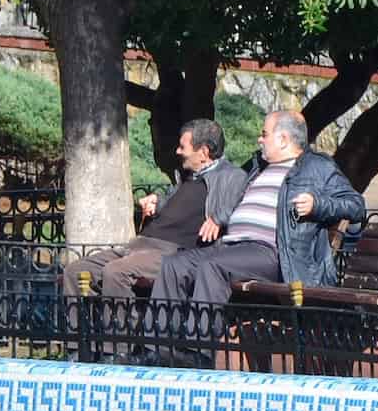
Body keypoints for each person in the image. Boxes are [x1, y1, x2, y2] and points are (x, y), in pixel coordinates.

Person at [151, 110, 365, 317]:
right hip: (231, 246)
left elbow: (355, 205)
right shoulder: (258, 166)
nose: (259, 139)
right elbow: (234, 194)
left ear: (283, 139)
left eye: (264, 134)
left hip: (273, 252)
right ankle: (158, 348)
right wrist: (219, 217)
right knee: (174, 264)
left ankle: (197, 350)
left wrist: (317, 205)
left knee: (213, 267)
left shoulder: (317, 166)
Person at [60, 118, 245, 303]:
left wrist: (218, 218)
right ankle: (81, 330)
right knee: (75, 272)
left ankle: (121, 331)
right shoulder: (188, 177)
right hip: (138, 246)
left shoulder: (230, 175)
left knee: (116, 272)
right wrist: (157, 203)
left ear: (204, 152)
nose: (178, 151)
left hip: (172, 253)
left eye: (183, 147)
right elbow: (177, 208)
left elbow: (240, 195)